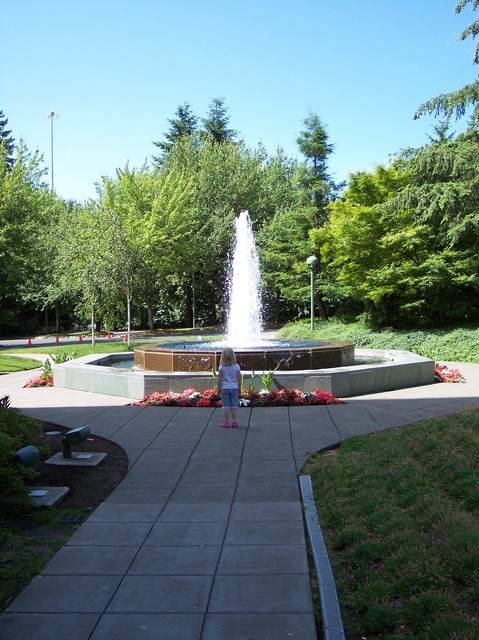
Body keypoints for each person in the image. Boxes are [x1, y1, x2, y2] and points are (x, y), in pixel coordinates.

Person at [217, 346, 241, 428]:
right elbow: (238, 379)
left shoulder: (221, 367)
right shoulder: (237, 367)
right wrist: (239, 389)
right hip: (234, 388)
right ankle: (234, 422)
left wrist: (218, 388)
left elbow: (219, 380)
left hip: (225, 388)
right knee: (234, 405)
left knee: (226, 406)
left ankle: (226, 422)